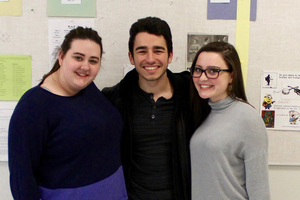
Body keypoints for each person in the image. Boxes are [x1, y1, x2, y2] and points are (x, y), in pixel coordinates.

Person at [8, 26, 127, 200]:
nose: (85, 66)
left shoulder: (88, 89)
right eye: (78, 57)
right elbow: (21, 180)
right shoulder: (33, 108)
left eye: (93, 61)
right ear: (62, 56)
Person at [102, 17, 210, 200]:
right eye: (142, 51)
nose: (150, 59)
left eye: (158, 50)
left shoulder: (193, 97)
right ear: (131, 57)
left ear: (170, 55)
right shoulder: (114, 100)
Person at [189, 41, 270, 199]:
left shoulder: (248, 118)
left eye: (213, 71)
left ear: (232, 76)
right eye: (198, 70)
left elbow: (260, 188)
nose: (203, 77)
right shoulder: (204, 113)